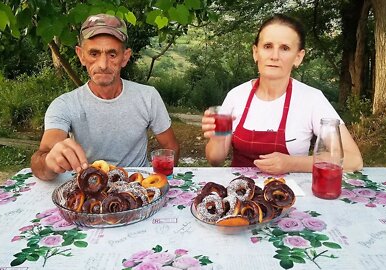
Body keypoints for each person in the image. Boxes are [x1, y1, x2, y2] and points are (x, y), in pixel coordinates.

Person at [201, 14, 363, 174]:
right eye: (267, 46)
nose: (274, 56)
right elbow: (215, 160)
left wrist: (293, 163)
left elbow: (353, 159)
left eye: (284, 48)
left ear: (298, 57)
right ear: (255, 53)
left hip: (292, 196)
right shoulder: (236, 96)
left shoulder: (312, 99)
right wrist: (217, 139)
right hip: (240, 194)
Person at [31, 14, 179, 181]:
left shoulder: (148, 96)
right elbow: (41, 161)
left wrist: (164, 182)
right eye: (94, 53)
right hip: (88, 186)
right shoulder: (64, 105)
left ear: (125, 57)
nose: (103, 64)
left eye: (112, 54)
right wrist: (50, 161)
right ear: (81, 56)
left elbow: (170, 147)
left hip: (137, 185)